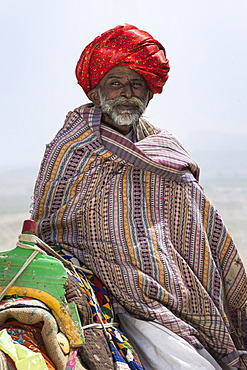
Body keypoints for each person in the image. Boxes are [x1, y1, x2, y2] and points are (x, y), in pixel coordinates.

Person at [31, 24, 247, 369]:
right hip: (105, 282)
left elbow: (199, 227)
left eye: (136, 84)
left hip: (173, 283)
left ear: (149, 93)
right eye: (115, 83)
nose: (126, 93)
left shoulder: (166, 151)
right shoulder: (70, 148)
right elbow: (53, 224)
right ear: (96, 91)